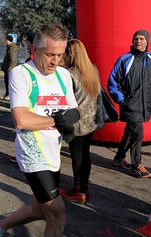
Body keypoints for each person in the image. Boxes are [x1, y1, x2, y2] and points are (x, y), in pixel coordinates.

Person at [0, 23, 79, 237]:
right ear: (34, 50)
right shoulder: (21, 74)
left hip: (53, 151)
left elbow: (75, 108)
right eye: (50, 54)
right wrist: (58, 119)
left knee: (39, 210)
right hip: (32, 153)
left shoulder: (63, 75)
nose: (55, 61)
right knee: (57, 215)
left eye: (60, 54)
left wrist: (72, 117)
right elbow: (21, 119)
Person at [108, 30, 151, 179]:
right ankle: (136, 165)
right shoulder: (125, 59)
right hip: (130, 105)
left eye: (142, 38)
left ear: (147, 42)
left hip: (145, 104)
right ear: (132, 41)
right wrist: (122, 100)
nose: (138, 41)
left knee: (130, 132)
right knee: (137, 132)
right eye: (136, 38)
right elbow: (113, 81)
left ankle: (119, 158)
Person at [60, 39, 103, 204]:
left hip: (76, 122)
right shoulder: (92, 70)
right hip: (90, 121)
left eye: (64, 52)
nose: (62, 56)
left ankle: (78, 191)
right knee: (85, 155)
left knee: (77, 157)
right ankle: (83, 186)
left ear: (71, 54)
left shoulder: (69, 75)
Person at [9, 30, 36, 163]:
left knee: (26, 128)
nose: (25, 43)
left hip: (32, 100)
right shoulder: (31, 58)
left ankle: (25, 155)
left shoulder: (34, 60)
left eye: (27, 41)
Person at [0, 35, 20, 100]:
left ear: (9, 40)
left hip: (10, 69)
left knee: (9, 82)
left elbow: (13, 59)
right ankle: (7, 93)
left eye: (6, 40)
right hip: (7, 68)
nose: (5, 41)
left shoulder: (12, 48)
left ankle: (9, 95)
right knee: (6, 81)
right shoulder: (9, 48)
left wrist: (8, 68)